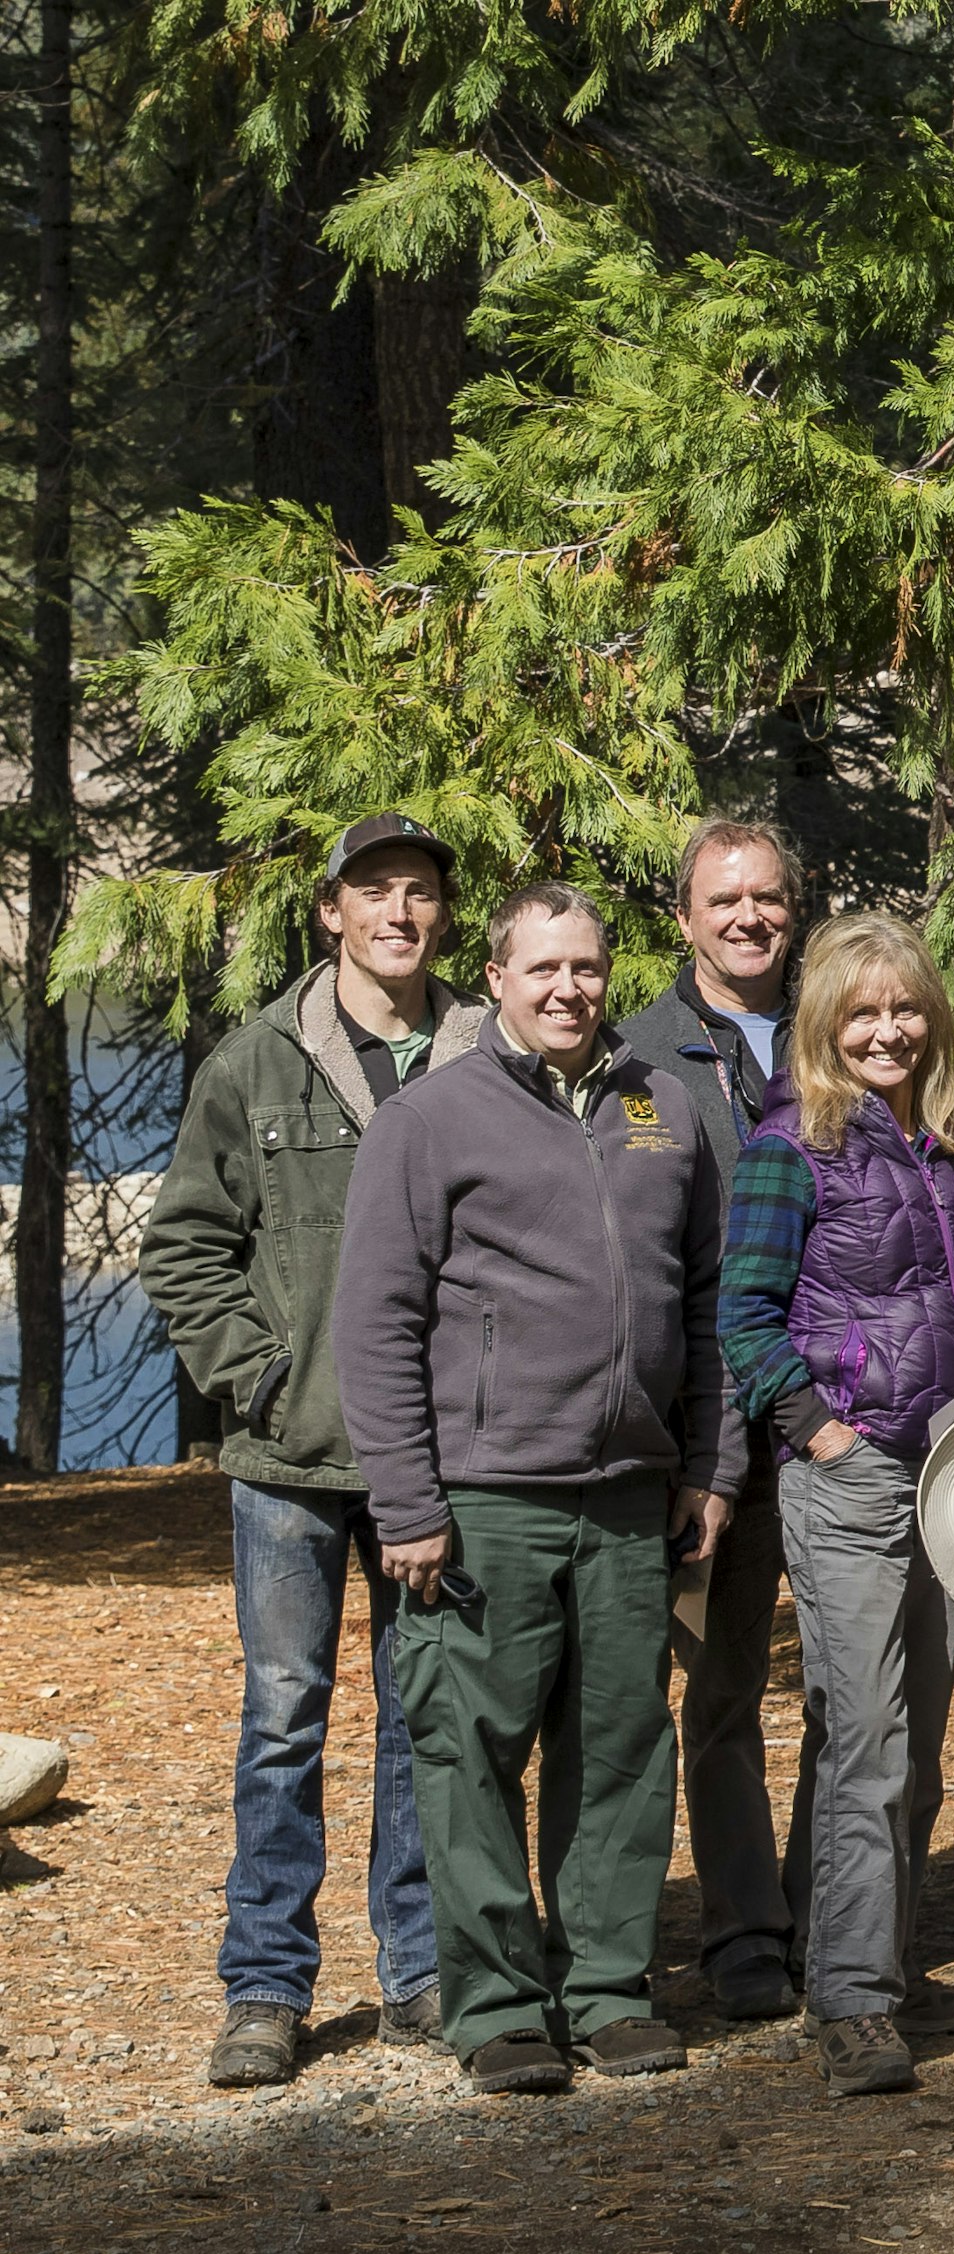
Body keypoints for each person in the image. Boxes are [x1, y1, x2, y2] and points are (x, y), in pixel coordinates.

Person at [332, 884, 740, 2095]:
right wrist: (406, 1503)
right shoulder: (431, 1118)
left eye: (590, 968)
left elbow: (709, 1303)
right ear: (498, 978)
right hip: (485, 1497)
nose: (570, 989)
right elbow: (376, 1320)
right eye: (544, 968)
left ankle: (609, 1989)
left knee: (620, 1750)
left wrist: (712, 1463)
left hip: (629, 1493)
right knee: (468, 1752)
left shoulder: (657, 1104)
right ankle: (498, 2004)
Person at [143, 812, 484, 2089]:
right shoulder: (255, 1061)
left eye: (420, 894)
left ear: (444, 917)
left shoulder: (482, 1053)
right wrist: (265, 1378)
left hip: (440, 1456)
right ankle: (267, 1985)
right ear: (330, 911)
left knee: (422, 1716)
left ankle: (418, 1969)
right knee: (284, 1717)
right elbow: (184, 1246)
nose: (399, 912)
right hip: (289, 1462)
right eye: (373, 891)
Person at [716, 914, 954, 2096]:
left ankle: (868, 1959)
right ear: (825, 1027)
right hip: (852, 1469)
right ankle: (851, 2004)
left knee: (925, 1737)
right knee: (868, 1736)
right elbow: (743, 1315)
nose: (888, 1030)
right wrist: (820, 1432)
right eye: (863, 1014)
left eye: (905, 1010)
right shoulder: (789, 1146)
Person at [618, 816, 813, 2022]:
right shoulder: (635, 1052)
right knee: (667, 1688)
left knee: (799, 1683)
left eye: (769, 897)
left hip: (828, 1410)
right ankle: (669, 1933)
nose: (749, 917)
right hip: (695, 1425)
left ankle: (795, 1918)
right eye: (724, 899)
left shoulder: (844, 1026)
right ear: (683, 917)